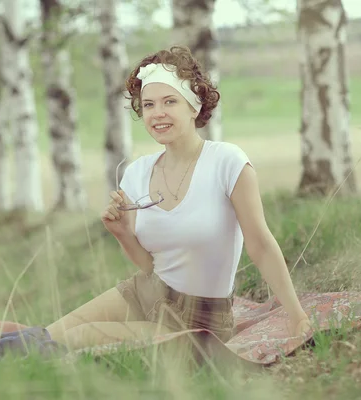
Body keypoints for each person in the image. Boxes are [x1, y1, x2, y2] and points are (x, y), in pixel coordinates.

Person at [44, 45, 312, 357]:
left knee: (78, 338)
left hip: (200, 318)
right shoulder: (136, 172)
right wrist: (123, 234)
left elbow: (261, 245)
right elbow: (150, 265)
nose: (157, 113)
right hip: (146, 293)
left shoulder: (227, 161)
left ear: (194, 107)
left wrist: (298, 317)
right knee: (47, 336)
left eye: (169, 101)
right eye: (148, 104)